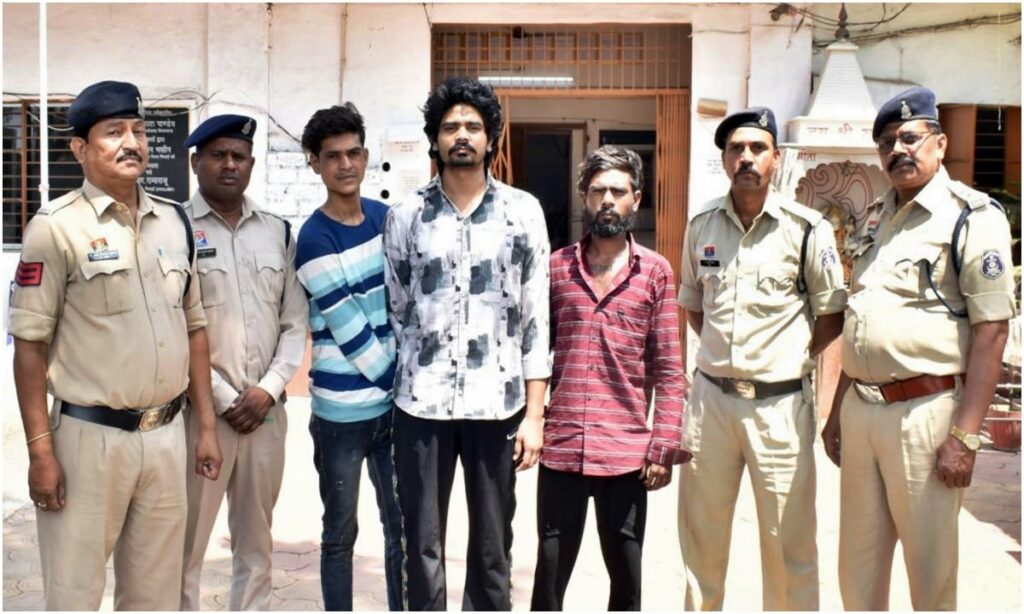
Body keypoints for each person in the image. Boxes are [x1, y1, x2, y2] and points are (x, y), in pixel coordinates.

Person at [9, 80, 222, 610]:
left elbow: (194, 327)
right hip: (89, 441)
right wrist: (41, 452)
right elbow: (29, 347)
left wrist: (206, 428)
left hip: (166, 436)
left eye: (138, 130)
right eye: (114, 132)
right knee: (74, 594)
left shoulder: (174, 222)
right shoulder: (55, 229)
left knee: (155, 597)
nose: (132, 142)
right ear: (80, 148)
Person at [821, 86, 1015, 611]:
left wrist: (966, 436)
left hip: (925, 415)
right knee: (857, 569)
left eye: (910, 137)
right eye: (887, 142)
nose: (898, 150)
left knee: (929, 574)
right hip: (862, 411)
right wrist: (837, 411)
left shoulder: (971, 216)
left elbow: (992, 331)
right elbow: (863, 316)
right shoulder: (877, 217)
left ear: (941, 143)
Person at [383, 76, 551, 610]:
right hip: (421, 404)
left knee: (492, 548)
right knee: (422, 545)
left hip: (496, 405)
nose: (461, 135)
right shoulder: (406, 214)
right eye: (450, 126)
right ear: (434, 139)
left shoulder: (523, 212)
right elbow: (397, 307)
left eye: (473, 127)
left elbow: (535, 318)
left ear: (490, 138)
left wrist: (535, 415)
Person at [676, 107, 846, 610]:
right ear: (725, 160)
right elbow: (694, 305)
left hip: (780, 407)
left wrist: (786, 356)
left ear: (776, 158)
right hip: (711, 405)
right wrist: (726, 357)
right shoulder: (701, 224)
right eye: (736, 149)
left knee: (788, 545)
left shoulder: (806, 228)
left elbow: (831, 315)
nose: (746, 158)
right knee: (701, 543)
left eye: (757, 148)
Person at [530, 145, 689, 611]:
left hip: (626, 454)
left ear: (636, 199)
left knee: (626, 580)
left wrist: (663, 445)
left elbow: (669, 368)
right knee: (549, 577)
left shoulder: (655, 272)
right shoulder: (557, 268)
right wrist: (533, 419)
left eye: (618, 191)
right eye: (598, 190)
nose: (607, 200)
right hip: (563, 449)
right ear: (583, 196)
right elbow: (535, 353)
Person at [179, 114, 309, 611]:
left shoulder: (277, 232)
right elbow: (174, 326)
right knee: (186, 545)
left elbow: (294, 322)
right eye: (218, 155)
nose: (230, 165)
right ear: (196, 163)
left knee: (256, 546)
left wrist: (268, 389)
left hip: (265, 416)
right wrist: (225, 399)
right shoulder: (173, 229)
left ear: (252, 164)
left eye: (239, 156)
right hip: (202, 417)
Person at [295, 103, 404, 611]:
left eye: (354, 153)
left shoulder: (386, 219)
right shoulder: (313, 238)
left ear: (366, 156)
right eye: (333, 156)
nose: (345, 164)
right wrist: (405, 381)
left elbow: (407, 302)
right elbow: (351, 332)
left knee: (402, 527)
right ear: (314, 162)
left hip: (393, 412)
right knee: (340, 534)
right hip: (341, 415)